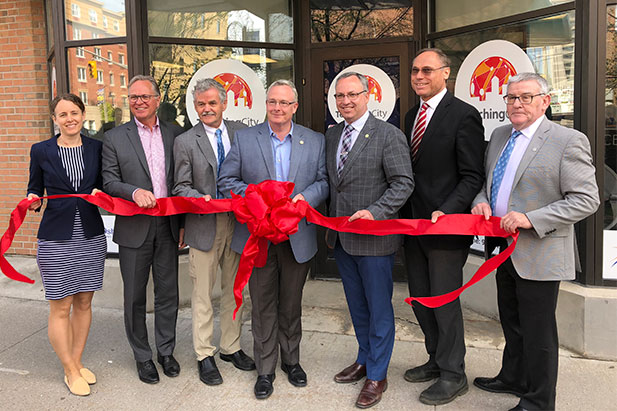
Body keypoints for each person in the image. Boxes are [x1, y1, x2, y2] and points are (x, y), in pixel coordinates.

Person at [471, 72, 599, 411]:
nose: (516, 104)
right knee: (511, 321)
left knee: (539, 332)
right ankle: (513, 377)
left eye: (525, 97)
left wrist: (532, 219)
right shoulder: (499, 135)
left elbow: (586, 200)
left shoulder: (567, 140)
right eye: (511, 97)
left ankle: (539, 401)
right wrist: (480, 202)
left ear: (545, 101)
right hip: (502, 248)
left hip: (540, 253)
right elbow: (491, 184)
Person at [218, 79, 328, 400]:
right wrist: (256, 199)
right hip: (258, 237)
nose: (277, 108)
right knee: (263, 304)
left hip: (297, 235)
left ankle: (291, 361)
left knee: (291, 304)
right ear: (265, 105)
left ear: (294, 107)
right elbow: (228, 180)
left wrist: (303, 199)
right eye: (272, 102)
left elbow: (323, 182)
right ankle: (265, 368)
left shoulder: (314, 140)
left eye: (284, 103)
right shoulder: (245, 138)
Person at [400, 48, 485, 405]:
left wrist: (446, 210)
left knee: (444, 301)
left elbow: (471, 175)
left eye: (427, 70)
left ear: (445, 73)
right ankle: (435, 359)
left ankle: (454, 374)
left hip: (446, 228)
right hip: (412, 225)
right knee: (421, 298)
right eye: (415, 71)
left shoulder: (464, 115)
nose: (419, 76)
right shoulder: (409, 115)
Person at [325, 72, 414, 409]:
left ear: (368, 96)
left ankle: (378, 374)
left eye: (352, 94)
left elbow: (403, 183)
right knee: (357, 306)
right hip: (343, 238)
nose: (346, 101)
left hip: (375, 239)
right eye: (339, 96)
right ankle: (364, 358)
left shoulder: (388, 135)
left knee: (378, 309)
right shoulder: (332, 136)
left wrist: (376, 212)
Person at [173, 78, 254, 386]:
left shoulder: (241, 134)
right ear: (195, 107)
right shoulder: (185, 141)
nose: (206, 109)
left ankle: (230, 347)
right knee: (203, 294)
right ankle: (204, 354)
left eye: (211, 103)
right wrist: (199, 199)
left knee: (236, 291)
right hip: (204, 224)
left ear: (224, 103)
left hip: (238, 223)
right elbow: (180, 185)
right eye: (200, 104)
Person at [102, 75, 183, 384]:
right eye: (133, 97)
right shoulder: (114, 137)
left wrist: (183, 224)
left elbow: (180, 182)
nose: (138, 101)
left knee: (168, 293)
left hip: (168, 224)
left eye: (144, 96)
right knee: (135, 296)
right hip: (134, 225)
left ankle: (166, 351)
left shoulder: (176, 134)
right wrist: (133, 192)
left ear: (157, 99)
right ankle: (142, 356)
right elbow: (108, 180)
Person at [27, 93, 107, 396]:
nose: (69, 118)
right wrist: (33, 199)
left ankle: (76, 360)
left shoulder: (97, 148)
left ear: (83, 114)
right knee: (60, 306)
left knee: (84, 302)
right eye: (63, 114)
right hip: (56, 237)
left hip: (90, 234)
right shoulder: (41, 150)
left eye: (74, 112)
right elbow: (34, 187)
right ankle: (70, 369)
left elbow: (105, 183)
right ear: (54, 119)